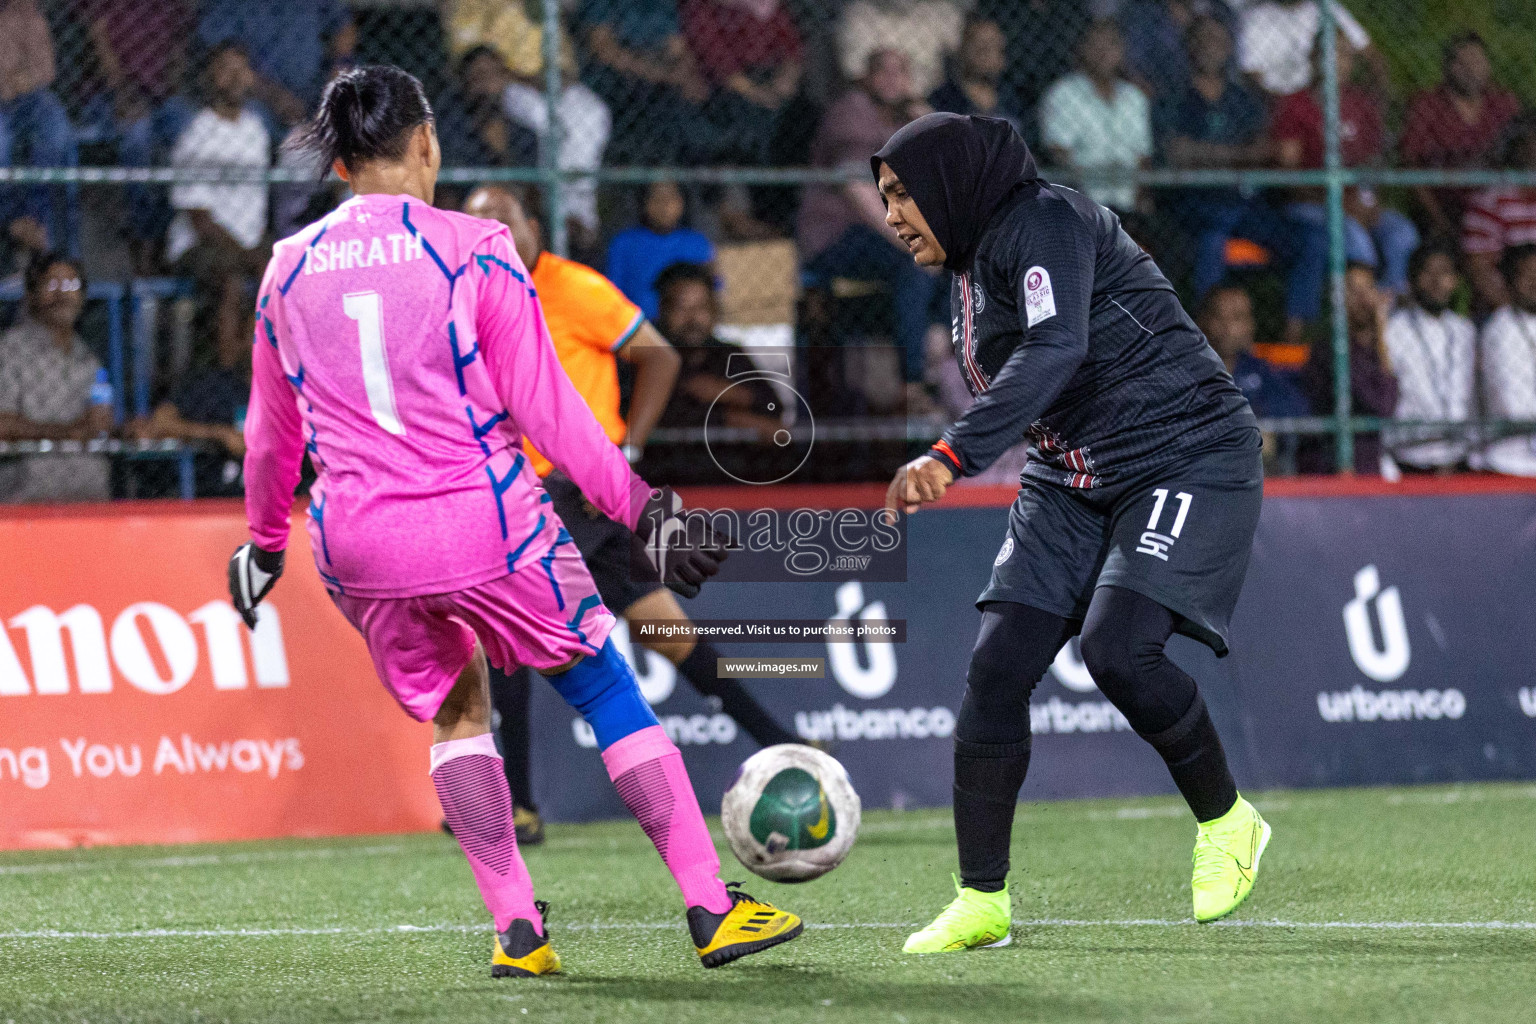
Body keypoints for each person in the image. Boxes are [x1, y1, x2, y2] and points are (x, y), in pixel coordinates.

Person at [228, 65, 801, 977]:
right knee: (605, 682)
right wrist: (643, 508)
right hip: (480, 519)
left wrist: (262, 545)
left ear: (338, 164)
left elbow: (269, 436)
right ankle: (709, 903)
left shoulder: (286, 267)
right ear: (427, 143)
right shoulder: (475, 245)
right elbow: (551, 412)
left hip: (355, 543)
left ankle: (519, 935)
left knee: (459, 711)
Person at [876, 114, 1270, 952]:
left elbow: (1057, 347)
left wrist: (954, 453)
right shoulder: (972, 263)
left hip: (1184, 451)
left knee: (1120, 650)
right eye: (884, 199)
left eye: (904, 193)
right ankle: (982, 900)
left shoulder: (1045, 221)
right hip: (1070, 473)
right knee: (997, 666)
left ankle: (1230, 823)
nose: (894, 215)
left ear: (950, 183)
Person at [461, 189, 803, 838]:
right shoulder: (469, 300)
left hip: (580, 491)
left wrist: (622, 452)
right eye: (479, 225)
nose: (493, 235)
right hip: (517, 495)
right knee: (524, 643)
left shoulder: (574, 288)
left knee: (648, 630)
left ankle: (780, 741)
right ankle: (520, 803)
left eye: (504, 223)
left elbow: (659, 354)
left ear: (534, 227)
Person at [1162, 15, 1323, 345]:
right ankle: (1205, 339)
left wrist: (1208, 155)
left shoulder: (1243, 99)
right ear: (1189, 46)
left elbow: (1266, 149)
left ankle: (1295, 335)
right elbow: (1176, 152)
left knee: (1312, 239)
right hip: (1194, 203)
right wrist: (1239, 155)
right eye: (1203, 39)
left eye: (1219, 40)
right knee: (1212, 239)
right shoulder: (1173, 96)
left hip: (1244, 205)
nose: (1212, 47)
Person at [799, 49, 936, 409]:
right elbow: (859, 192)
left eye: (901, 72)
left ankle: (941, 359)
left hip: (873, 236)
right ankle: (913, 383)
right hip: (835, 235)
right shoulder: (853, 110)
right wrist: (911, 242)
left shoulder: (899, 119)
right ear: (866, 77)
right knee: (915, 264)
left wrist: (932, 124)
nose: (892, 80)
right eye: (883, 72)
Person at [1274, 39, 1418, 297]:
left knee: (1402, 233)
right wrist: (1340, 204)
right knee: (1354, 237)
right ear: (1312, 59)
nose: (1336, 62)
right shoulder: (1295, 104)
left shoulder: (1362, 105)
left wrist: (1369, 202)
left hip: (1358, 205)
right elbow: (1291, 180)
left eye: (1343, 55)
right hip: (1311, 206)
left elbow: (1375, 165)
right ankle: (1356, 317)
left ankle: (1389, 307)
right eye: (1328, 54)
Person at [166, 42, 272, 373]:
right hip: (199, 244)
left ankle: (267, 370)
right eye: (226, 69)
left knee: (287, 269)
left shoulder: (256, 129)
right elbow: (199, 218)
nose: (237, 77)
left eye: (243, 69)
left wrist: (257, 249)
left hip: (247, 240)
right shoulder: (199, 132)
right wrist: (247, 252)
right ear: (211, 78)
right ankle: (231, 371)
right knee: (231, 277)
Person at [74, 0, 195, 268]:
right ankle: (144, 236)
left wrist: (172, 83)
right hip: (107, 94)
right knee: (137, 135)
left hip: (159, 94)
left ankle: (174, 231)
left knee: (190, 128)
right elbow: (97, 36)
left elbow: (179, 42)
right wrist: (121, 91)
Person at [0, 253, 111, 503]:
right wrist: (64, 432)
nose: (63, 294)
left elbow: (98, 423)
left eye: (71, 285)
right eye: (52, 285)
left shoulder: (89, 359)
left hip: (88, 496)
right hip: (27, 496)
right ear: (31, 295)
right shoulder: (9, 351)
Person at [1401, 32, 1519, 242]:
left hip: (1496, 206)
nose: (1471, 69)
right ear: (1447, 67)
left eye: (1477, 61)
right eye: (1462, 62)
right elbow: (1409, 161)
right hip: (1445, 205)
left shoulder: (1503, 104)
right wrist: (1438, 219)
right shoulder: (1428, 104)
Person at [129, 305, 251, 497]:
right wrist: (218, 434)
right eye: (257, 334)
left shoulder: (298, 390)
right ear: (243, 340)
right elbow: (160, 421)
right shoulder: (216, 384)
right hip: (214, 502)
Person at [654, 260, 784, 438]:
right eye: (681, 309)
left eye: (701, 308)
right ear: (663, 311)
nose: (693, 319)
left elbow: (774, 406)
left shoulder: (728, 353)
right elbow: (663, 417)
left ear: (714, 311)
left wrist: (734, 394)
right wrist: (730, 419)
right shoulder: (651, 358)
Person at [574, 0, 712, 165]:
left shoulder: (661, 4)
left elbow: (678, 48)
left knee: (701, 104)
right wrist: (660, 74)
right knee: (650, 102)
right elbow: (604, 49)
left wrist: (688, 76)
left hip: (660, 71)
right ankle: (661, 180)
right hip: (617, 77)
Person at [1040, 20, 1152, 216]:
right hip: (1082, 204)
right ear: (1082, 49)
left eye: (1111, 44)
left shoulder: (1134, 97)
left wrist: (1139, 200)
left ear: (1122, 51)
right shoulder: (1064, 94)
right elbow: (1058, 151)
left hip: (1129, 205)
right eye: (1096, 44)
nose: (1103, 52)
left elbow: (1143, 156)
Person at [1298, 263, 1399, 475]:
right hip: (1332, 467)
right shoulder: (1331, 349)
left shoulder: (1377, 348)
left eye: (1368, 289)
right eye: (1352, 290)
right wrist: (1381, 331)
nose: (1362, 299)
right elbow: (1382, 405)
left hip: (1370, 462)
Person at [196, 0, 355, 131]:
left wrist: (335, 84)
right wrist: (274, 96)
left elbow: (344, 28)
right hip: (256, 96)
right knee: (248, 118)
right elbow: (226, 57)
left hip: (317, 90)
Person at [1383, 245, 1475, 472]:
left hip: (1458, 456)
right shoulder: (1394, 329)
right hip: (1410, 456)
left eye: (1445, 273)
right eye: (1428, 273)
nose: (1437, 281)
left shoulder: (1465, 331)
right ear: (1412, 280)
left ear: (1454, 280)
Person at [0, 0, 79, 261]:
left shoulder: (32, 18)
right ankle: (13, 219)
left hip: (29, 100)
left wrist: (24, 79)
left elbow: (46, 72)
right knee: (1, 142)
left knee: (56, 132)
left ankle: (37, 222)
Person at [682, 0, 802, 166]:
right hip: (727, 87)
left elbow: (791, 46)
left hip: (770, 76)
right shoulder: (700, 7)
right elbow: (718, 61)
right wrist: (758, 93)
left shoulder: (764, 5)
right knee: (748, 117)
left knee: (799, 113)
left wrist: (787, 78)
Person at [605, 180, 715, 323]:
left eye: (671, 198)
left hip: (685, 329)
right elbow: (613, 294)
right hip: (637, 327)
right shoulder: (623, 243)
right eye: (656, 198)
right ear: (644, 203)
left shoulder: (697, 243)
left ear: (682, 203)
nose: (664, 205)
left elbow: (712, 291)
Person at [1199, 284, 1308, 422]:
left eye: (1237, 318)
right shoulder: (1188, 371)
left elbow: (1295, 410)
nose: (1227, 326)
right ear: (1203, 321)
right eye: (1219, 317)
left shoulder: (1261, 371)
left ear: (1250, 325)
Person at [1461, 117, 1536, 313]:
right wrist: (1517, 316)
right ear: (1518, 148)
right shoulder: (1489, 202)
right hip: (1506, 309)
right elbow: (1479, 270)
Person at [1236, 0, 1384, 98]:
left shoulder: (1327, 7)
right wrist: (1297, 101)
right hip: (1280, 100)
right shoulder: (1256, 17)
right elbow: (1251, 76)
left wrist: (1373, 96)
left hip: (1326, 94)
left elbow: (1370, 52)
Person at [1478, 244, 1536, 477]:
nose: (1534, 282)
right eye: (1527, 275)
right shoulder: (1500, 328)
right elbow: (1510, 402)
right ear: (1511, 280)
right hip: (1509, 461)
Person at [837, 0, 964, 101]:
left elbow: (963, 60)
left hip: (936, 100)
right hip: (877, 104)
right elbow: (855, 75)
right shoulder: (858, 12)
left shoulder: (943, 11)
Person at [1117, 0, 1238, 102]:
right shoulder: (1141, 13)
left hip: (1212, 103)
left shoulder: (1220, 10)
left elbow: (1231, 69)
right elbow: (1130, 70)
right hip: (1160, 103)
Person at [926, 17, 1021, 132]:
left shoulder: (1014, 98)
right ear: (963, 50)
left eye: (995, 47)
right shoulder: (943, 99)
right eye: (981, 48)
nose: (987, 56)